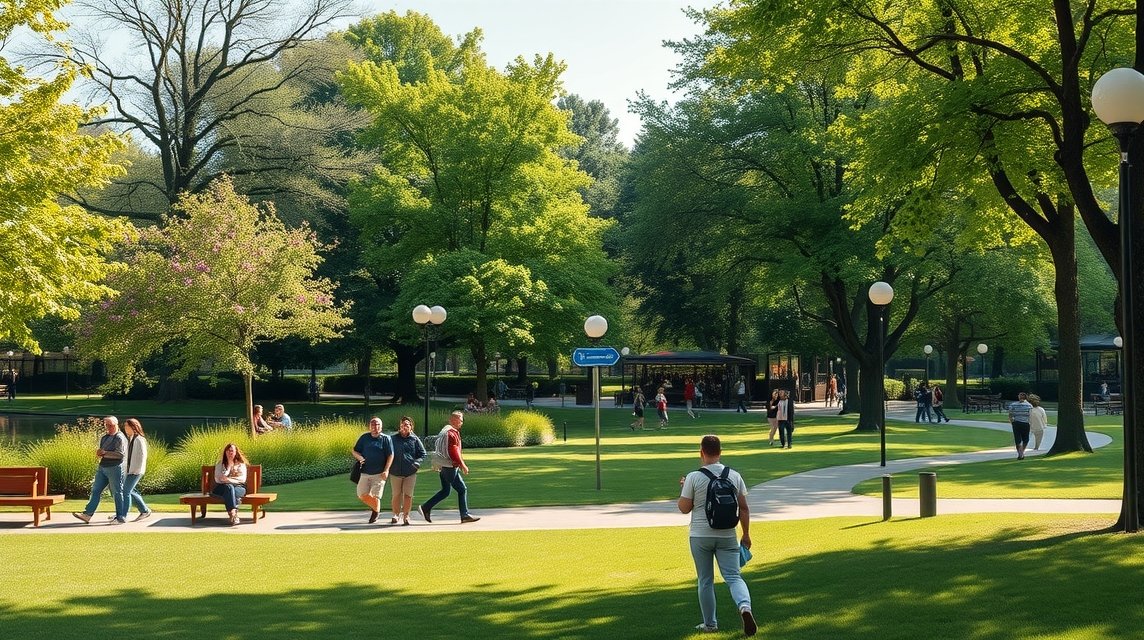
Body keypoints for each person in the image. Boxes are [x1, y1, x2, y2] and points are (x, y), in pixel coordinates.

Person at [678, 435, 756, 637]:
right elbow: (744, 508)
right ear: (720, 452)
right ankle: (745, 607)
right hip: (728, 535)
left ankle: (710, 624)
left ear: (701, 452)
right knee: (733, 576)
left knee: (705, 580)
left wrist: (684, 488)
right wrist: (746, 534)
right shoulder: (734, 475)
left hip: (700, 535)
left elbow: (684, 508)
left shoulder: (694, 477)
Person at [419, 411, 480, 524]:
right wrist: (463, 465)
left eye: (461, 420)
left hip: (443, 465)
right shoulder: (451, 434)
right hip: (449, 467)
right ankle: (464, 515)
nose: (462, 422)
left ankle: (425, 508)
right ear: (454, 420)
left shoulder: (445, 431)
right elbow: (454, 452)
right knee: (462, 489)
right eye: (460, 420)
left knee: (445, 491)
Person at [72, 416, 128, 524]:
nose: (109, 427)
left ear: (116, 424)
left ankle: (120, 517)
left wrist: (105, 453)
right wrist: (99, 453)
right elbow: (102, 452)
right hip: (103, 467)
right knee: (96, 490)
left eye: (111, 425)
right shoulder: (104, 437)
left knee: (117, 492)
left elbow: (120, 455)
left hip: (115, 468)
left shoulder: (120, 438)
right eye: (107, 425)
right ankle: (87, 515)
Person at [352, 417, 393, 524]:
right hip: (365, 472)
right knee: (361, 494)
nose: (375, 427)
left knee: (376, 496)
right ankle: (377, 509)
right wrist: (360, 458)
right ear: (370, 426)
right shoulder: (364, 438)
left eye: (378, 424)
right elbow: (355, 451)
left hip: (379, 473)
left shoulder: (386, 439)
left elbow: (390, 455)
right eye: (373, 425)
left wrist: (386, 470)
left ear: (381, 426)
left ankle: (375, 513)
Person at [388, 416, 427, 525]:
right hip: (395, 472)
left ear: (411, 427)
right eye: (402, 424)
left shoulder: (414, 439)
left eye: (407, 425)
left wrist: (417, 463)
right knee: (396, 494)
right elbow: (387, 452)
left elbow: (423, 454)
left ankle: (406, 516)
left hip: (410, 472)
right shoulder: (393, 439)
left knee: (408, 495)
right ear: (399, 426)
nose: (404, 427)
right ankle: (395, 514)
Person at [121, 418, 153, 522]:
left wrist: (135, 470)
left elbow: (142, 456)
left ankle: (122, 515)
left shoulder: (139, 439)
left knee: (125, 491)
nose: (125, 428)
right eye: (125, 426)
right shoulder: (131, 438)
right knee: (131, 491)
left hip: (135, 471)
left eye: (127, 426)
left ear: (134, 427)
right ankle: (144, 510)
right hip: (129, 470)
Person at [213, 443, 248, 526]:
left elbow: (242, 479)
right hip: (222, 488)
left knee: (231, 489)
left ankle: (232, 513)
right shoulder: (220, 464)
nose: (230, 453)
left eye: (232, 451)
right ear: (225, 452)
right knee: (229, 488)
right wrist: (228, 469)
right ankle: (233, 513)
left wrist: (228, 479)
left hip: (239, 488)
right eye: (228, 451)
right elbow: (218, 479)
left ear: (236, 452)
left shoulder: (241, 465)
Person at [1008, 392, 1034, 460]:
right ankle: (1021, 453)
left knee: (1017, 439)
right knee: (1026, 439)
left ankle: (1020, 454)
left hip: (1016, 423)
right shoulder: (1029, 406)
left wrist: (1012, 422)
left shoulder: (1013, 405)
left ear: (1019, 397)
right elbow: (1031, 416)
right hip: (1025, 423)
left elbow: (1010, 415)